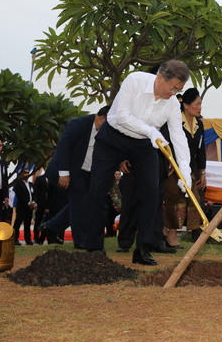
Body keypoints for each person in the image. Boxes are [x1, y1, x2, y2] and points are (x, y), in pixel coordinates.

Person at [84, 59, 193, 266]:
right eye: (173, 88)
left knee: (152, 194)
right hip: (112, 139)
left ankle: (142, 249)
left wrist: (185, 171)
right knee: (97, 190)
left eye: (178, 90)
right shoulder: (134, 81)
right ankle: (94, 249)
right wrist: (152, 131)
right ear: (160, 78)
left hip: (143, 145)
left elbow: (178, 137)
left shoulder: (171, 103)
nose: (174, 93)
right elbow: (122, 117)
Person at [39, 106, 110, 247]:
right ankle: (80, 240)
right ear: (102, 118)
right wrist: (64, 173)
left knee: (84, 202)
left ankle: (51, 227)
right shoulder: (78, 124)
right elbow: (63, 148)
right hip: (68, 170)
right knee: (79, 203)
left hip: (88, 172)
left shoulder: (106, 132)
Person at [161, 88, 207, 249]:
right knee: (173, 200)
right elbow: (166, 143)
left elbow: (201, 151)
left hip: (191, 170)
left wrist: (202, 171)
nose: (200, 107)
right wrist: (169, 163)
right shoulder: (174, 121)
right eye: (197, 104)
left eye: (201, 104)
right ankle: (170, 234)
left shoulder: (199, 125)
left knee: (194, 200)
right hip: (173, 168)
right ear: (186, 105)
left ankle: (170, 231)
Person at [12, 169, 37, 245]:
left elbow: (34, 194)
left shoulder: (31, 184)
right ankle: (15, 239)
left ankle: (28, 239)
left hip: (30, 207)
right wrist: (28, 202)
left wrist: (33, 202)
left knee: (28, 224)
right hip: (22, 207)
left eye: (28, 173)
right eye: (25, 173)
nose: (27, 174)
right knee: (18, 223)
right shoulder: (18, 184)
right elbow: (20, 195)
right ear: (22, 174)